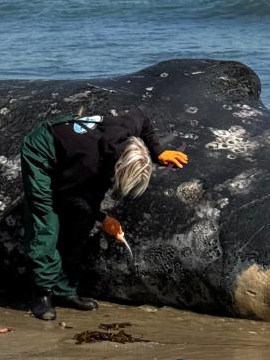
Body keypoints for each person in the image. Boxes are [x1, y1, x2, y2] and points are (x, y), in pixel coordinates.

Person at [20, 107, 189, 322]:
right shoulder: (88, 166)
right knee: (46, 222)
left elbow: (143, 116)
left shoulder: (127, 129)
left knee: (80, 225)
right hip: (43, 150)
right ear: (117, 167)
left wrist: (158, 151)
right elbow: (68, 196)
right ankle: (41, 294)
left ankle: (66, 290)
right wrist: (104, 219)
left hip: (74, 141)